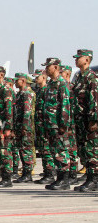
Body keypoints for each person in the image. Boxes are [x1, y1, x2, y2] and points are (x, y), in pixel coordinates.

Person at [42, 58, 71, 190]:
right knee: (55, 151)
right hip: (50, 124)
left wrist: (63, 124)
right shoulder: (50, 84)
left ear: (55, 67)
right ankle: (59, 178)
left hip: (58, 124)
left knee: (61, 150)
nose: (46, 69)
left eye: (48, 67)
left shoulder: (61, 83)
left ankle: (64, 180)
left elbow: (65, 104)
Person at [72, 49, 98, 192]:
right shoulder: (81, 78)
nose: (76, 60)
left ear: (87, 60)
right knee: (84, 150)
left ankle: (94, 179)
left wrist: (94, 120)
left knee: (92, 150)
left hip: (89, 122)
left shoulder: (91, 77)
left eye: (79, 58)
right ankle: (90, 178)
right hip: (81, 121)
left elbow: (95, 100)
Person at [12, 73, 35, 183]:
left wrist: (25, 127)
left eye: (17, 81)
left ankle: (28, 173)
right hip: (19, 126)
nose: (15, 83)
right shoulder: (19, 94)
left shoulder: (26, 94)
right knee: (22, 149)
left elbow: (27, 112)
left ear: (23, 81)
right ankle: (25, 173)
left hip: (24, 127)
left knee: (26, 150)